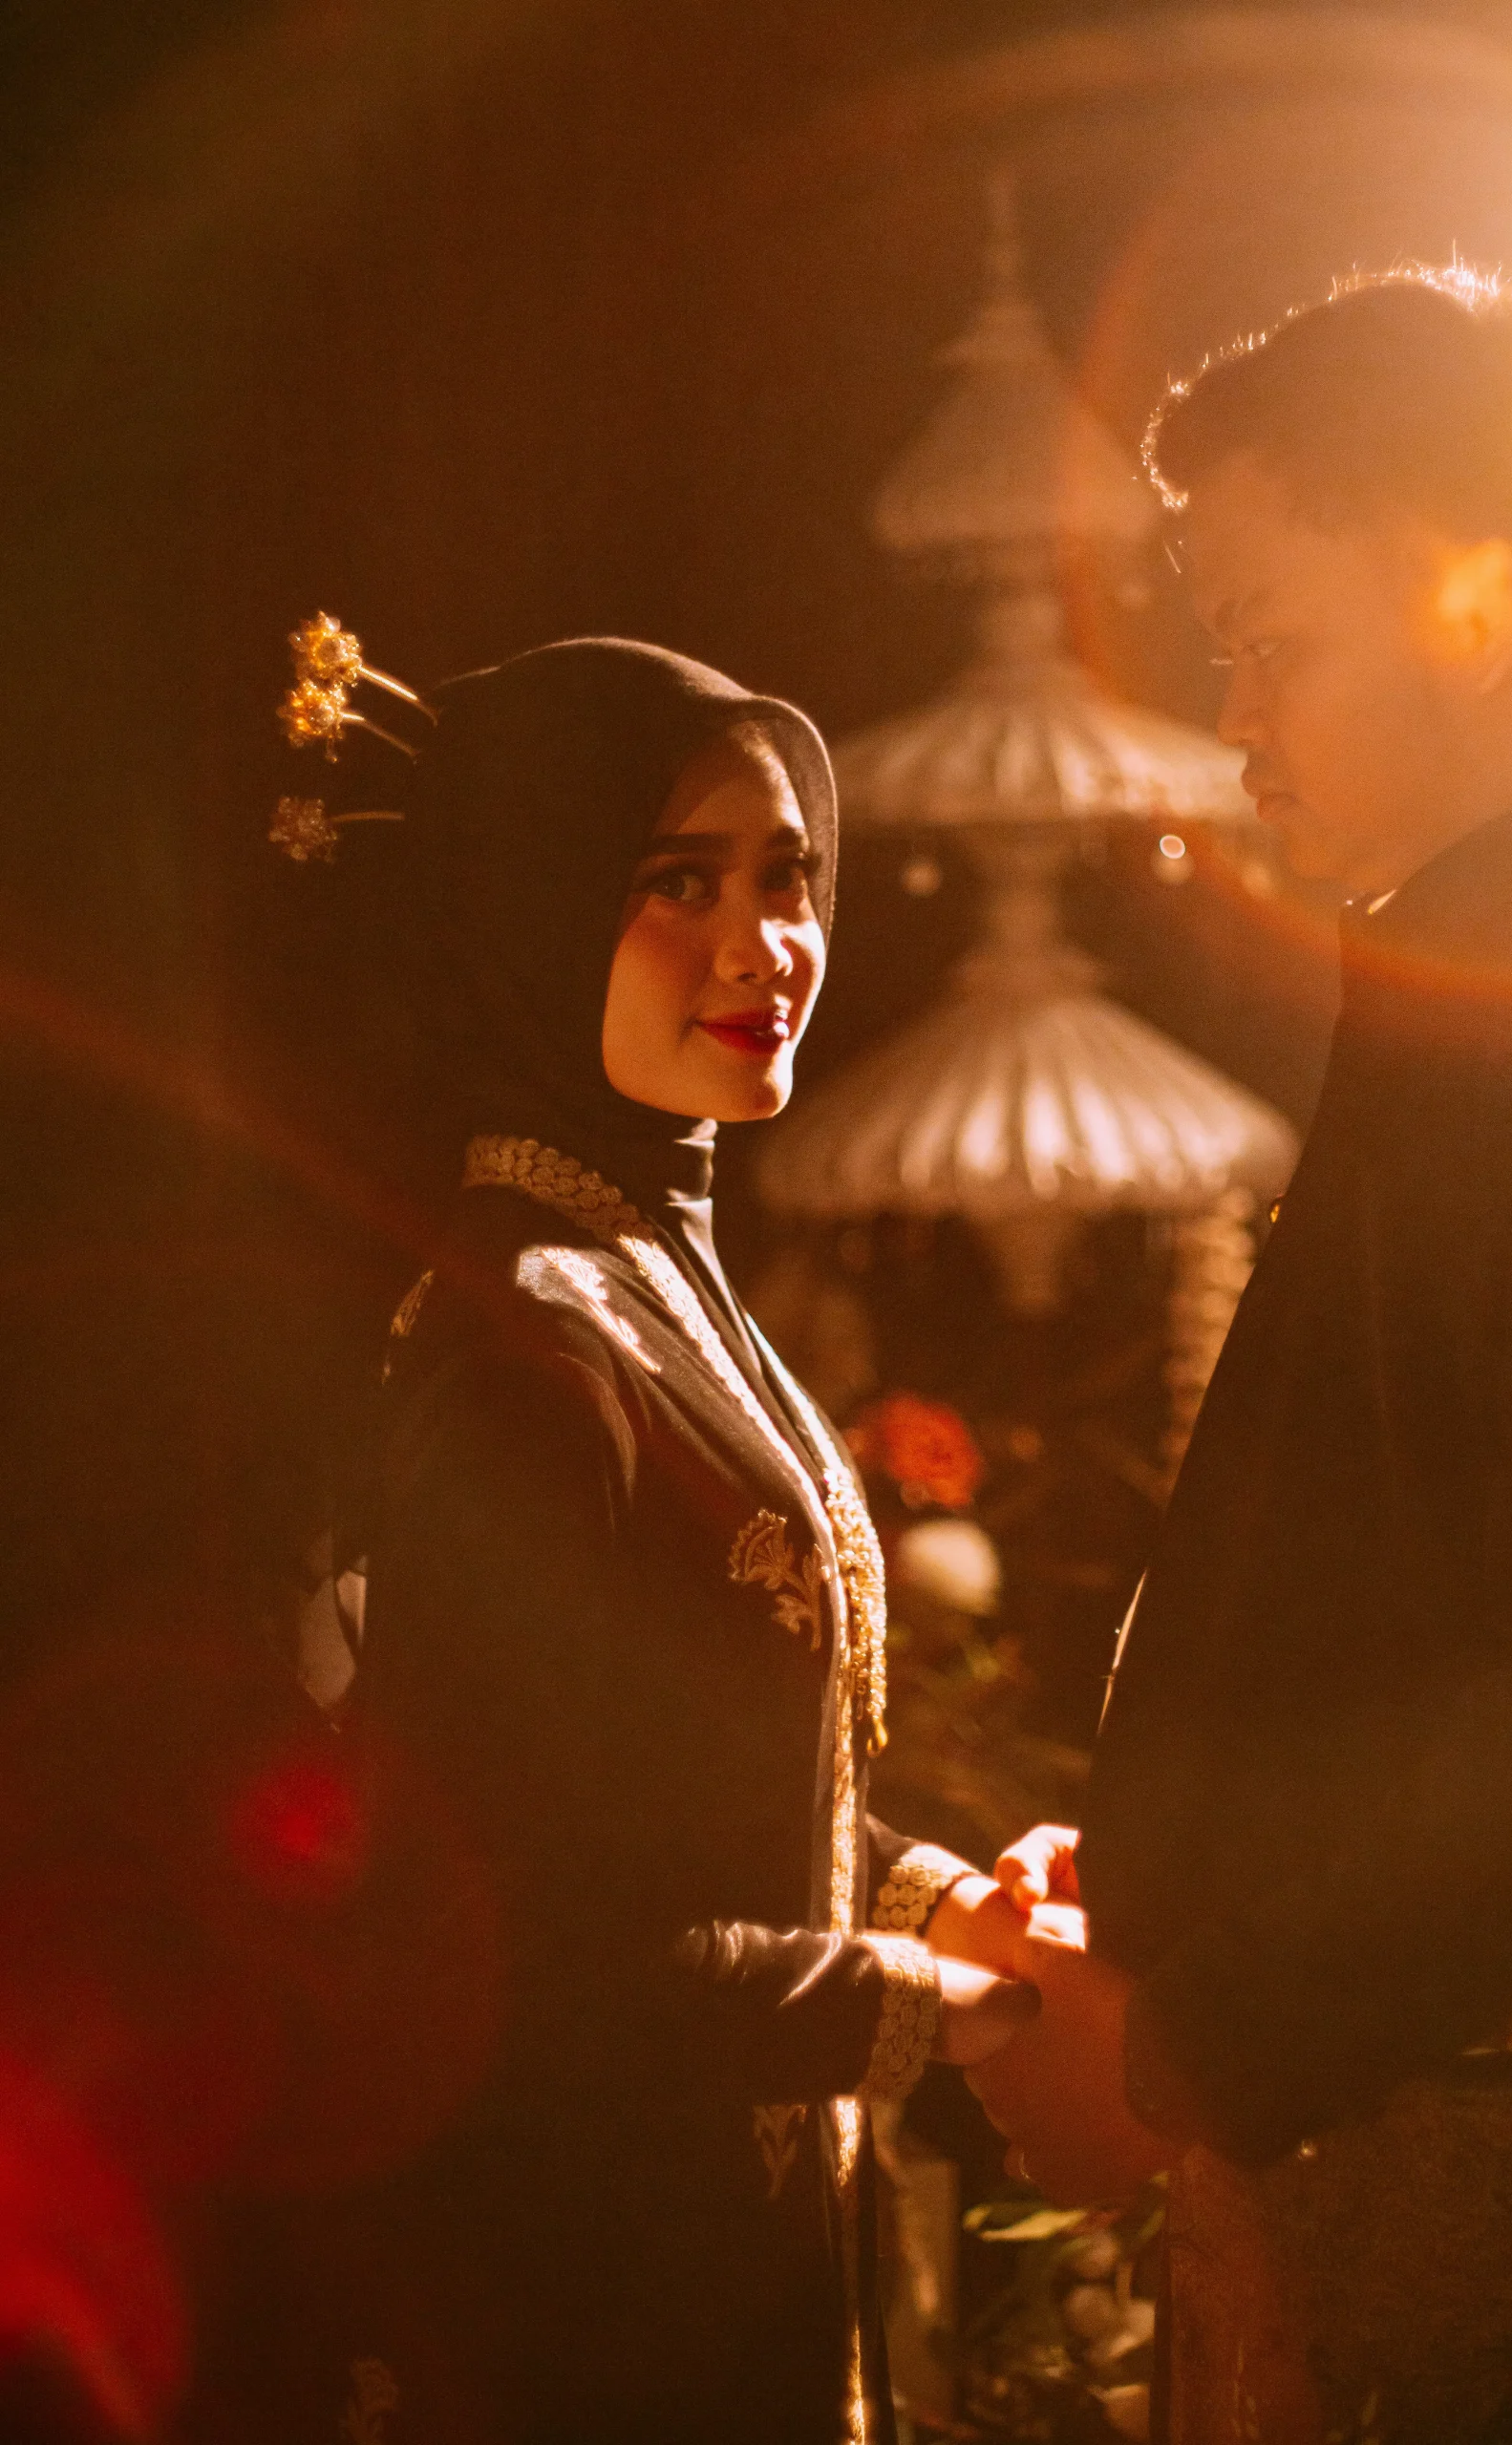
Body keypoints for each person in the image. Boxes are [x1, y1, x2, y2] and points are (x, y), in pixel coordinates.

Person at [969, 266, 1512, 2442]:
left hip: (1507, 2221)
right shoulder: (1500, 994)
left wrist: (1177, 2047)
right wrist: (1156, 1892)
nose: (1238, 715)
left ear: (1476, 601)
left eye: (1270, 637)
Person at [200, 635, 1038, 2445]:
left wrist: (935, 1898)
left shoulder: (644, 1282)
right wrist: (931, 2005)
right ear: (529, 911)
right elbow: (519, 1960)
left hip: (721, 2277)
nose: (762, 945)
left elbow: (698, 1785)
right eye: (677, 883)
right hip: (589, 2326)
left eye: (786, 877)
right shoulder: (533, 1346)